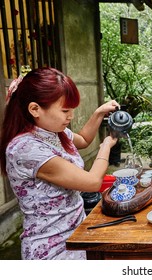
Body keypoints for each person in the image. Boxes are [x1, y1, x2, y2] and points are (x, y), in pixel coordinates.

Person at [0, 67, 119, 260]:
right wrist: (106, 146)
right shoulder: (26, 148)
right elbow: (92, 182)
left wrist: (99, 113)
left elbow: (83, 139)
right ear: (35, 109)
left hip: (75, 232)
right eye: (65, 110)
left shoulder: (52, 131)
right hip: (51, 246)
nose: (70, 116)